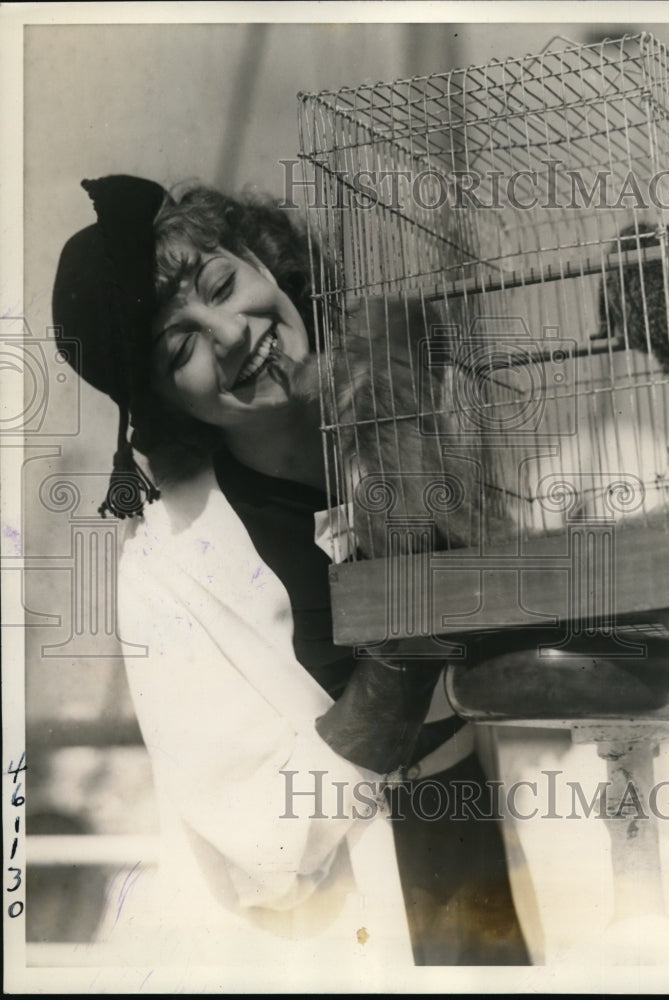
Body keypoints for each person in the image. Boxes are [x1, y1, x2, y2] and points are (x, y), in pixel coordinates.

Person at [52, 174, 530, 967]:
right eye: (181, 346)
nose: (232, 333)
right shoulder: (166, 570)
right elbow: (261, 845)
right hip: (361, 927)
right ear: (166, 404)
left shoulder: (416, 409)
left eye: (222, 283)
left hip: (505, 846)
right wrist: (391, 675)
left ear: (267, 262)